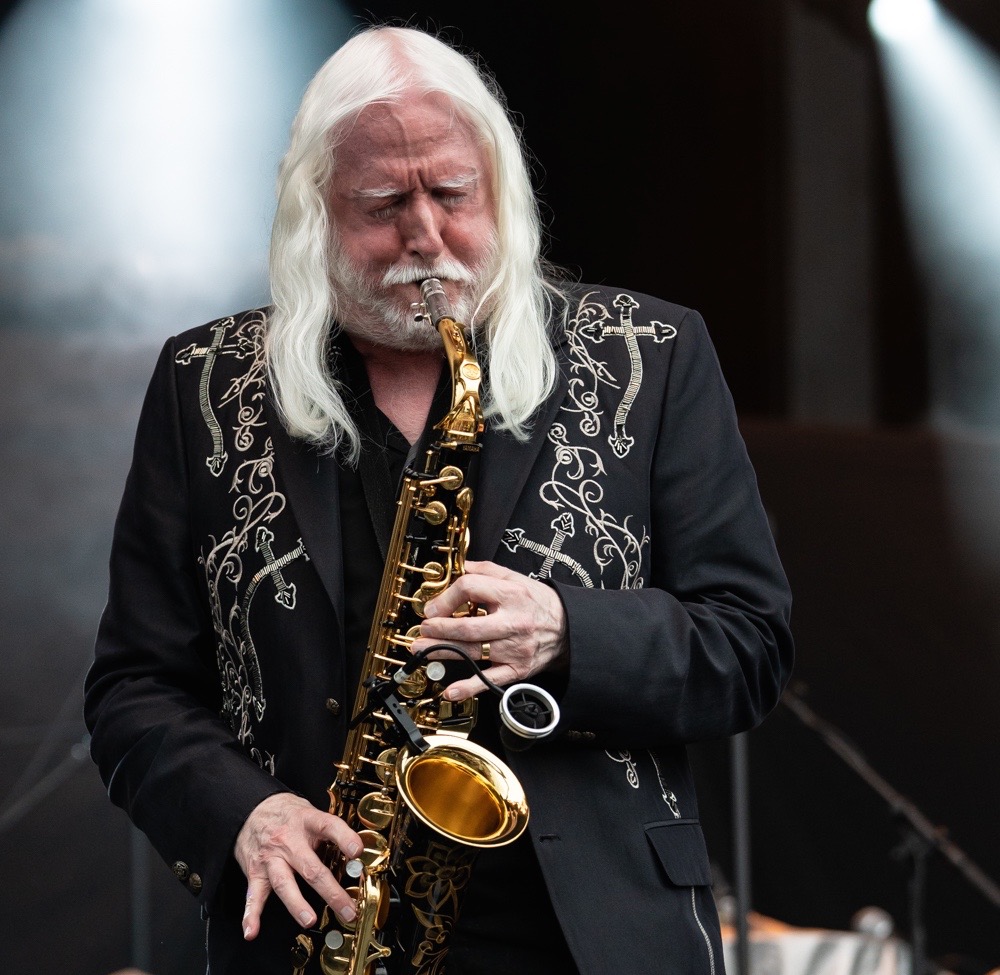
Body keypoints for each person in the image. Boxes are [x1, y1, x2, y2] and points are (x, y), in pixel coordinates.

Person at [84, 24, 793, 975]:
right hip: (321, 931)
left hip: (591, 940)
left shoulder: (651, 356)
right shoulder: (205, 383)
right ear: (313, 215)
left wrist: (569, 632)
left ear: (500, 187)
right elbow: (133, 687)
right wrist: (241, 812)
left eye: (453, 194)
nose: (426, 237)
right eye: (383, 205)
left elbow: (750, 643)